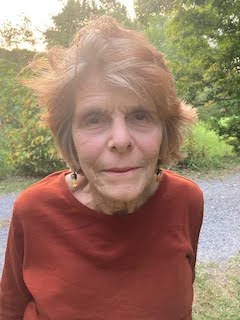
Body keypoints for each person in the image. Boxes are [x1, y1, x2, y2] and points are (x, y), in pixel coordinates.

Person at [0, 16, 204, 320]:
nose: (120, 140)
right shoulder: (33, 210)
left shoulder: (187, 201)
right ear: (70, 136)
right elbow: (10, 309)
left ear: (165, 129)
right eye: (94, 119)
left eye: (140, 115)